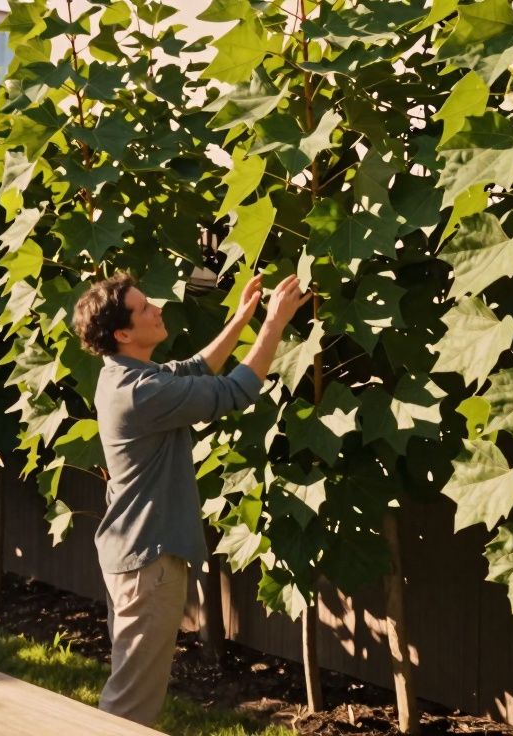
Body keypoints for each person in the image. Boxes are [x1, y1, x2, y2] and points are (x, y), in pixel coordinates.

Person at [71, 271, 312, 725]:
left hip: (131, 552)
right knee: (131, 704)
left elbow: (197, 368)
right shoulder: (143, 393)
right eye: (143, 308)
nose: (156, 308)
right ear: (123, 333)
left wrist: (243, 317)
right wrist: (273, 324)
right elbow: (236, 390)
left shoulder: (123, 376)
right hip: (149, 562)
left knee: (132, 686)